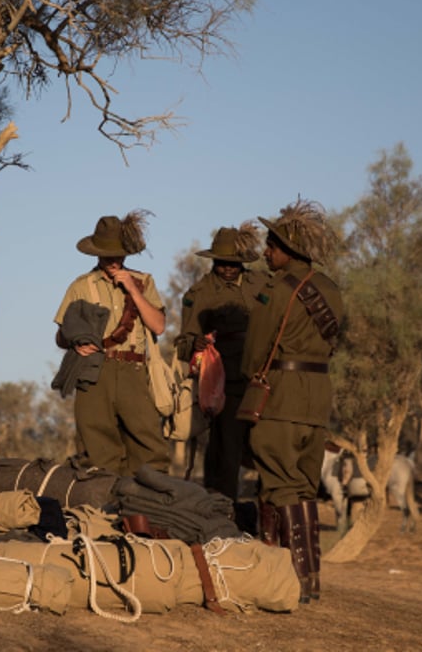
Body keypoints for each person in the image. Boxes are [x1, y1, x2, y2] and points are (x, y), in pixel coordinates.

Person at [238, 199, 344, 604]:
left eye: (271, 245)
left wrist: (250, 379)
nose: (266, 252)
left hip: (281, 395)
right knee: (303, 486)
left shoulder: (277, 289)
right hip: (317, 399)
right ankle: (310, 580)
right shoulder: (332, 289)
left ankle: (290, 582)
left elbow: (255, 350)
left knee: (280, 485)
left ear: (288, 250)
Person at [54, 211, 170, 476]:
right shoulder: (80, 286)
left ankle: (146, 514)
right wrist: (74, 343)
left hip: (134, 372)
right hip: (94, 373)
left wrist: (132, 290)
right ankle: (104, 516)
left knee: (149, 447)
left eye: (117, 253)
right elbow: (60, 336)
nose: (112, 259)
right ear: (96, 253)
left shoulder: (144, 282)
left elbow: (158, 326)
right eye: (106, 253)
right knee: (97, 453)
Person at [173, 222, 268, 503]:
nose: (227, 268)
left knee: (268, 449)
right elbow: (183, 343)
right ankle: (224, 516)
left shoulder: (263, 285)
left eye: (234, 263)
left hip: (264, 378)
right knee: (227, 452)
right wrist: (196, 344)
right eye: (222, 262)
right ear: (213, 260)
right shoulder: (199, 293)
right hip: (226, 383)